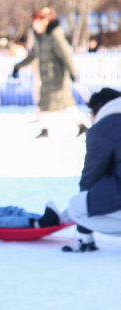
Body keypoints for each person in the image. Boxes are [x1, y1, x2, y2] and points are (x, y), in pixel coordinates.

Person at [60, 88, 121, 252]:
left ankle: (86, 240)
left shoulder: (103, 128)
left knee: (76, 207)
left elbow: (91, 178)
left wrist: (84, 234)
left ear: (97, 111)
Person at [12, 6, 87, 138]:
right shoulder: (40, 37)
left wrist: (72, 72)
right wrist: (17, 66)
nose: (34, 26)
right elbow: (32, 55)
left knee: (65, 104)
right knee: (45, 104)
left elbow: (65, 54)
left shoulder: (54, 34)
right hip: (46, 77)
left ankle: (82, 125)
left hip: (57, 77)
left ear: (44, 22)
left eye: (36, 22)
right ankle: (45, 129)